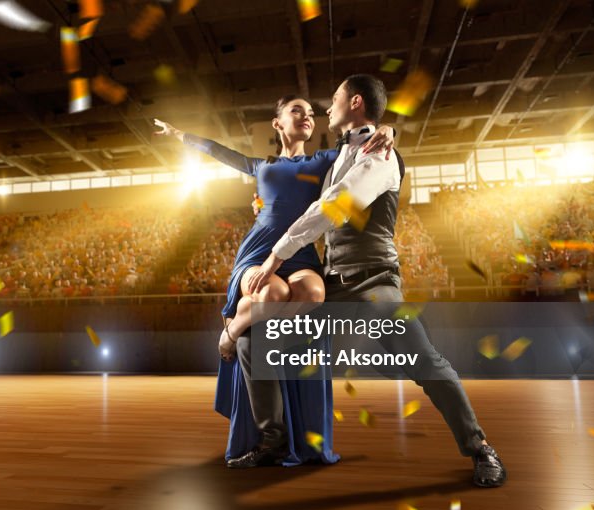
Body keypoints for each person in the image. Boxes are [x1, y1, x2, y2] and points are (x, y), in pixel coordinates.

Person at [246, 74, 507, 487]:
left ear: (354, 103)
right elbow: (302, 191)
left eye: (333, 99)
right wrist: (263, 200)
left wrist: (276, 255)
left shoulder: (380, 157)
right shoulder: (341, 154)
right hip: (332, 287)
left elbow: (333, 207)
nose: (325, 108)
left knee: (425, 363)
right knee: (256, 340)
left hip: (374, 284)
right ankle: (273, 441)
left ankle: (480, 449)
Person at [153, 98, 395, 468]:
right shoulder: (260, 165)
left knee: (314, 293)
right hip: (257, 252)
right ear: (277, 123)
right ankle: (235, 335)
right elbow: (218, 151)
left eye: (312, 114)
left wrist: (388, 130)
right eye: (297, 110)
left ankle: (236, 332)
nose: (308, 116)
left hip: (299, 255)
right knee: (274, 292)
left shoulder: (324, 161)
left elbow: (361, 146)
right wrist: (179, 135)